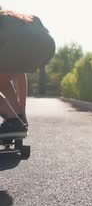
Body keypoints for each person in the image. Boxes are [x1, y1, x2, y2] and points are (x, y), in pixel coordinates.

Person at [0, 9, 55, 138]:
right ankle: (18, 118)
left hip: (25, 46)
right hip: (46, 47)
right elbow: (19, 72)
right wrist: (22, 113)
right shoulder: (13, 19)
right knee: (5, 77)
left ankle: (12, 120)